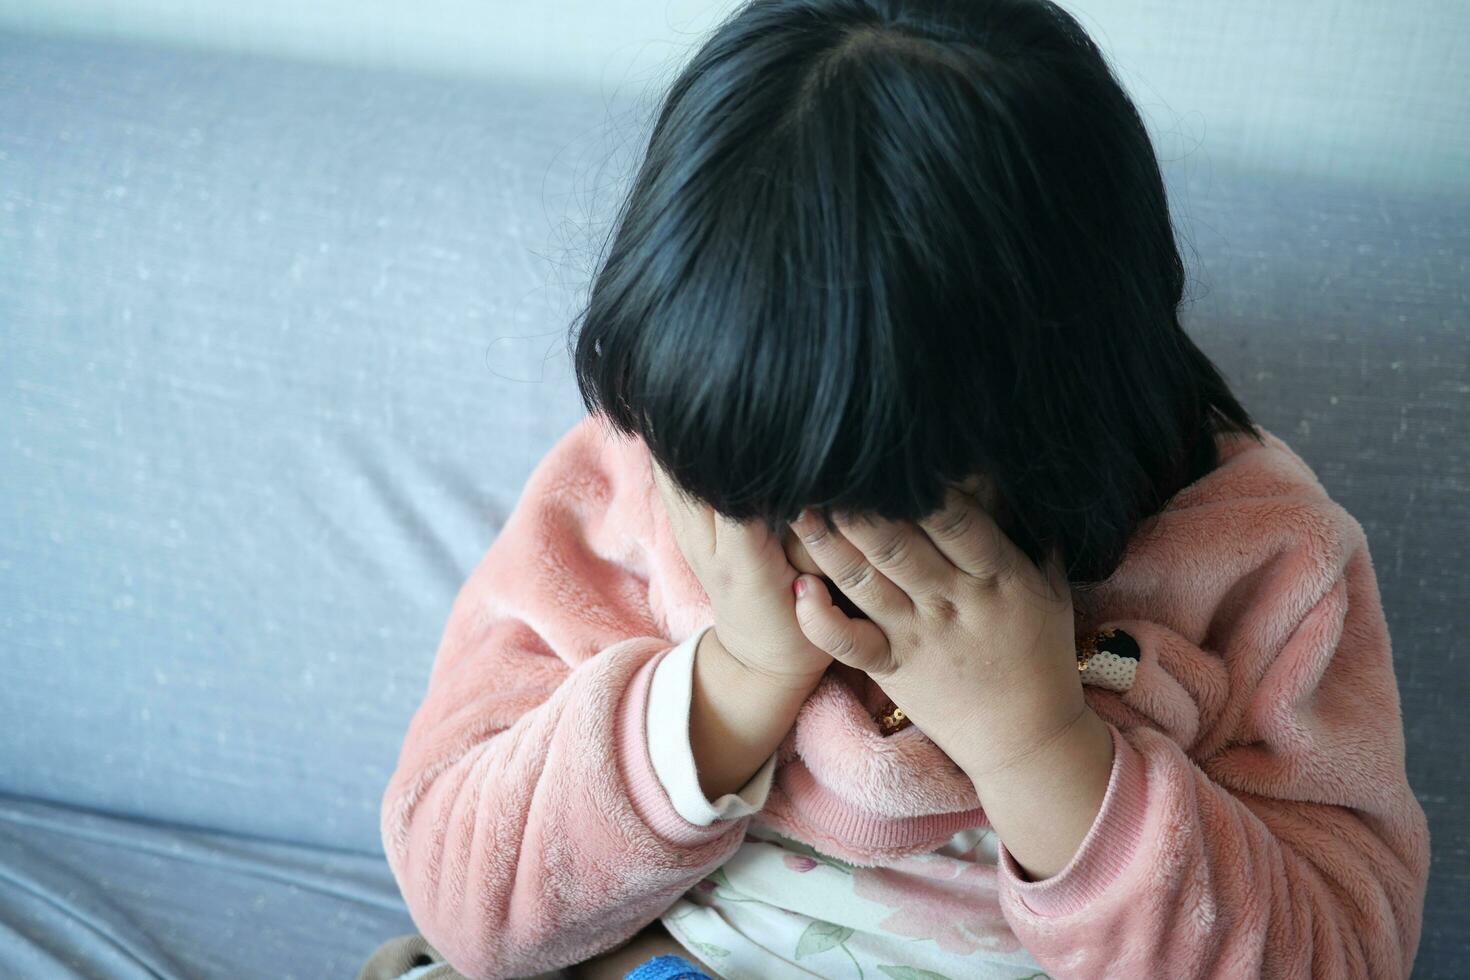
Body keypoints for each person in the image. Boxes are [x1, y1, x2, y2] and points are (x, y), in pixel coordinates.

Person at [368, 0, 1432, 976]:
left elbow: (1342, 951)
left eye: (864, 500)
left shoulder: (1260, 563)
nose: (797, 541)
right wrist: (734, 679)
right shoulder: (646, 476)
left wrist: (1036, 741)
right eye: (751, 492)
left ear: (1058, 413)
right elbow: (465, 891)